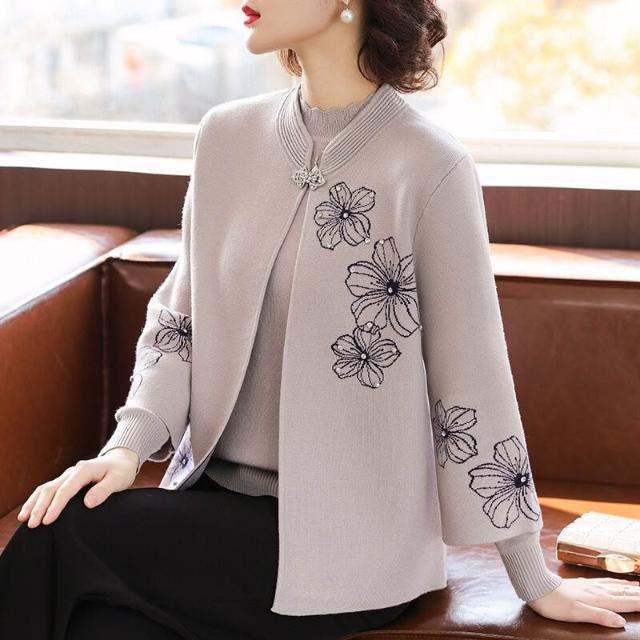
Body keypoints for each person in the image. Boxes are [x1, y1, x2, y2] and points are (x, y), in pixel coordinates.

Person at [1, 0, 639, 637]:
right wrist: (125, 450)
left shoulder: (429, 166)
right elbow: (179, 321)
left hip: (350, 547)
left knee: (58, 533)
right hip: (214, 504)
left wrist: (532, 576)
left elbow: (472, 379)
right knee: (98, 624)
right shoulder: (226, 137)